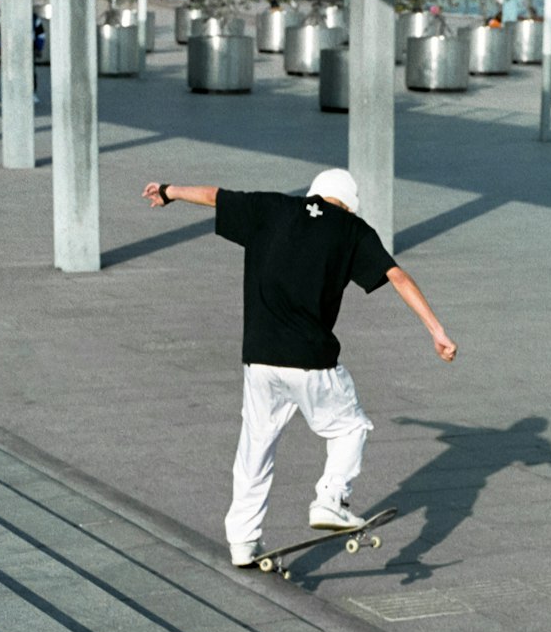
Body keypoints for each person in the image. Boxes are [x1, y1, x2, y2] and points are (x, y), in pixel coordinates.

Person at [141, 169, 458, 567]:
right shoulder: (352, 229)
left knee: (255, 448)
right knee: (350, 427)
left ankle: (242, 541)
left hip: (259, 357)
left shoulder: (271, 207)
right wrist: (436, 330)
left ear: (315, 193)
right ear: (348, 202)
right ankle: (330, 498)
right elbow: (397, 276)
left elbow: (212, 195)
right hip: (310, 359)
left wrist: (169, 192)